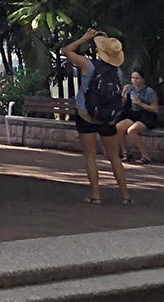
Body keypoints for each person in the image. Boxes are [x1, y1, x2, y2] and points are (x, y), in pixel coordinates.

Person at [61, 28, 131, 205]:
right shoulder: (118, 72)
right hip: (108, 118)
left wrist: (85, 38)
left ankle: (96, 195)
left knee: (90, 155)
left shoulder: (89, 65)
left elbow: (66, 51)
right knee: (114, 156)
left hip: (86, 114)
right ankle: (125, 196)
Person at [117, 69, 159, 163]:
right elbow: (123, 104)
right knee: (118, 127)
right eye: (133, 78)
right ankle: (125, 153)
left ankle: (145, 156)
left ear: (143, 79)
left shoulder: (149, 91)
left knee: (131, 131)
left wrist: (141, 104)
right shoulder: (131, 89)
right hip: (134, 114)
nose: (135, 80)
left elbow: (155, 109)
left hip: (147, 115)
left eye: (137, 78)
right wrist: (123, 93)